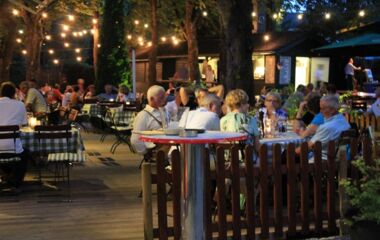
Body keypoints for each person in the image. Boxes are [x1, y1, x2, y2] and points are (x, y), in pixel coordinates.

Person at [295, 95, 350, 160]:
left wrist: (290, 154)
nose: (320, 111)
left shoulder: (327, 127)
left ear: (333, 110)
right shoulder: (343, 121)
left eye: (323, 108)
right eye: (320, 108)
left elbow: (307, 147)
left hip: (321, 163)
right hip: (336, 160)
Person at [0, 82, 29, 189]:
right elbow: (25, 124)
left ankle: (8, 177)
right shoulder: (20, 104)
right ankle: (15, 181)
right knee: (25, 153)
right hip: (13, 148)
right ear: (13, 94)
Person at [131, 85, 167, 155]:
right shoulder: (143, 115)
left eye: (164, 96)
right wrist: (147, 154)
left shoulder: (165, 110)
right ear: (151, 99)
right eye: (161, 97)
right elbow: (135, 139)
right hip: (157, 152)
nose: (164, 99)